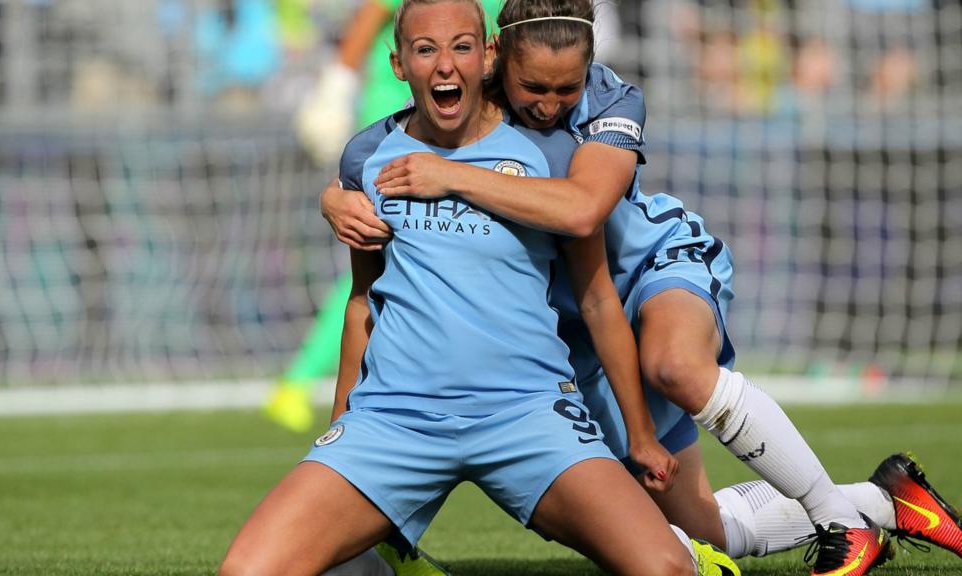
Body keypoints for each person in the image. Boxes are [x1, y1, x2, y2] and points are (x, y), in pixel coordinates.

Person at [322, 0, 962, 572]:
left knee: (676, 366)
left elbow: (580, 209)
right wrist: (335, 197)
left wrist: (451, 177)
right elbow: (374, 157)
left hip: (651, 267)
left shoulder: (612, 100)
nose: (549, 105)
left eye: (565, 89)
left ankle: (837, 520)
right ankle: (884, 500)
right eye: (532, 88)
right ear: (498, 60)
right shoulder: (465, 92)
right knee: (697, 525)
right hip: (579, 326)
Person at [219, 0, 739, 574]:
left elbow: (596, 300)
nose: (445, 65)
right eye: (425, 50)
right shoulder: (366, 158)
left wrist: (640, 434)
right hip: (395, 421)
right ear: (397, 64)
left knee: (667, 567)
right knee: (246, 570)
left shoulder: (552, 155)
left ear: (488, 54)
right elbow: (363, 304)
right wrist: (341, 425)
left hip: (529, 415)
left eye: (461, 47)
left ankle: (827, 510)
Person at [265, 0, 502, 433]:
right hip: (397, 113)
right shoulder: (382, 123)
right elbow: (373, 11)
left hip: (465, 121)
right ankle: (303, 384)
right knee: (379, 248)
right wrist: (336, 86)